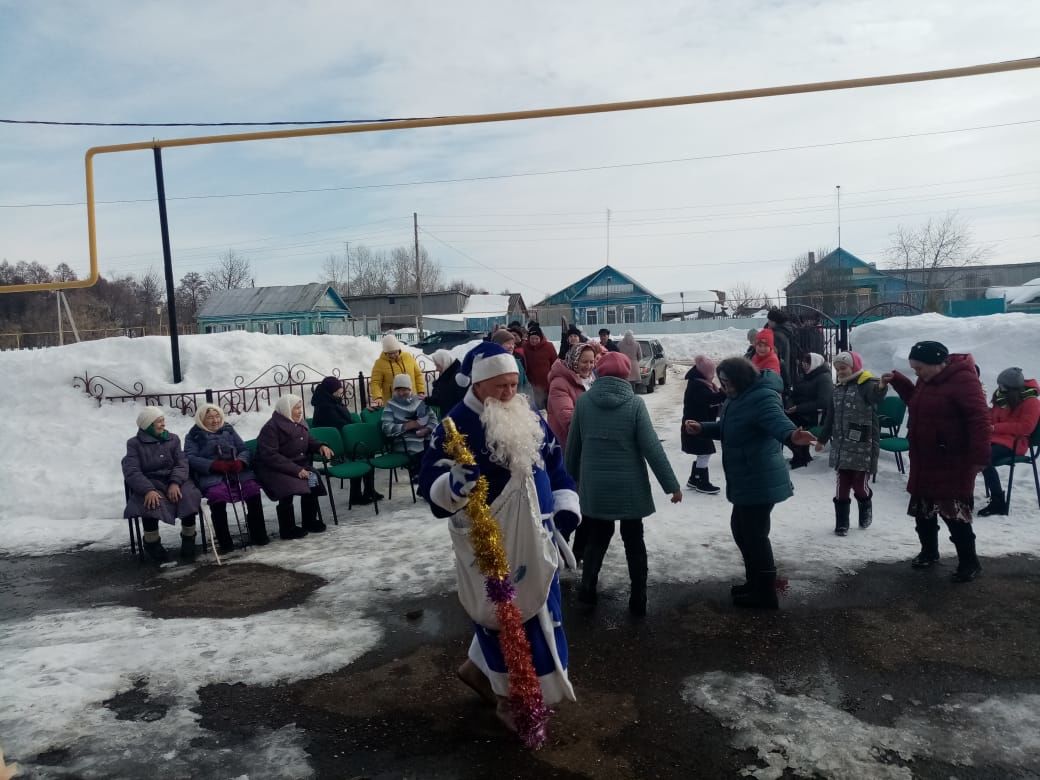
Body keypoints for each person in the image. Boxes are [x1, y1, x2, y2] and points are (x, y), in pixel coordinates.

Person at [418, 342, 580, 729]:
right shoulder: (455, 426)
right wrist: (451, 486)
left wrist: (564, 502)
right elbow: (429, 484)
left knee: (541, 609)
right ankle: (516, 699)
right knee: (506, 620)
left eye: (514, 384)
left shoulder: (526, 414)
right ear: (478, 384)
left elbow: (553, 461)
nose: (510, 393)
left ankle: (480, 673)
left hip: (539, 532)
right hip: (493, 542)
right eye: (501, 387)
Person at [684, 358, 815, 609]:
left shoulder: (762, 398)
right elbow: (730, 428)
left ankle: (765, 593)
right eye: (721, 382)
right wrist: (703, 428)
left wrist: (792, 435)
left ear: (741, 379)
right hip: (746, 477)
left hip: (760, 477)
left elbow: (778, 423)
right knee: (741, 531)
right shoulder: (738, 397)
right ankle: (755, 582)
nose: (723, 387)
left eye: (727, 382)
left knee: (754, 535)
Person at [566, 351, 682, 615]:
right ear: (627, 375)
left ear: (599, 373)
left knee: (597, 537)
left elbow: (573, 448)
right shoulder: (635, 405)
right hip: (629, 487)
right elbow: (652, 447)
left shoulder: (584, 403)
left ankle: (587, 591)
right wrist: (671, 485)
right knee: (634, 539)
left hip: (595, 488)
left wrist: (568, 481)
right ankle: (638, 598)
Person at [882, 341, 991, 582]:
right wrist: (900, 382)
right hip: (925, 457)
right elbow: (917, 403)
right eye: (914, 369)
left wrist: (980, 456)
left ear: (936, 364)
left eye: (919, 368)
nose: (917, 373)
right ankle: (929, 552)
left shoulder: (964, 380)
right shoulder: (927, 379)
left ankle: (969, 563)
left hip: (953, 460)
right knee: (923, 510)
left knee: (954, 513)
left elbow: (979, 419)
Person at [815, 352, 886, 536]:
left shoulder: (865, 385)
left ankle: (865, 504)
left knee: (859, 485)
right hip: (842, 445)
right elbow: (830, 418)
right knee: (842, 485)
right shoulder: (837, 389)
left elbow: (875, 396)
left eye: (844, 368)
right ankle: (842, 523)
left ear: (853, 367)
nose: (840, 372)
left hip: (863, 445)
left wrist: (881, 386)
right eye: (837, 369)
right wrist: (822, 439)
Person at [122, 407, 203, 563]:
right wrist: (148, 490)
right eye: (159, 422)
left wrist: (175, 482)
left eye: (163, 421)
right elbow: (131, 470)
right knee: (151, 503)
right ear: (148, 425)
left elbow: (182, 463)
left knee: (188, 496)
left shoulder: (173, 439)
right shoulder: (134, 444)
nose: (163, 424)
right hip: (150, 482)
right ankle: (152, 543)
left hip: (176, 480)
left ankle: (188, 538)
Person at [184, 403, 269, 552]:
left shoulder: (228, 430)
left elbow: (243, 449)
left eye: (217, 416)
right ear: (201, 419)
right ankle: (225, 541)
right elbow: (190, 458)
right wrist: (213, 465)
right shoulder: (194, 435)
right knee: (217, 495)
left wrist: (241, 462)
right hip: (211, 474)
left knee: (252, 489)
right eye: (210, 417)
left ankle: (259, 533)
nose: (215, 420)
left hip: (236, 471)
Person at [254, 395, 334, 539]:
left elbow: (309, 440)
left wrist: (320, 446)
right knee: (288, 487)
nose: (300, 411)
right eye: (296, 408)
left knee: (312, 480)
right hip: (273, 468)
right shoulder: (271, 428)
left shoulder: (299, 423)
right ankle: (287, 528)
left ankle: (309, 521)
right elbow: (270, 456)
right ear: (286, 409)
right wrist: (296, 470)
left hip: (296, 465)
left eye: (300, 408)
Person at [978, 367, 1040, 516]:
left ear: (1012, 388)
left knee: (982, 458)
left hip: (1015, 443)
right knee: (971, 453)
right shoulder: (1002, 398)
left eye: (1003, 385)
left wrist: (995, 427)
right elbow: (992, 417)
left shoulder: (1031, 402)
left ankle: (998, 502)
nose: (999, 388)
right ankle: (962, 495)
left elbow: (1025, 427)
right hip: (994, 439)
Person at [311, 376, 382, 505]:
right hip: (333, 449)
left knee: (367, 452)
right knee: (358, 456)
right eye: (338, 389)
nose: (341, 391)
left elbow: (347, 421)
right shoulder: (324, 407)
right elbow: (339, 426)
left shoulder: (334, 400)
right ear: (331, 390)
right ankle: (355, 495)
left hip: (345, 441)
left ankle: (369, 490)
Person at [681, 355, 726, 494]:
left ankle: (694, 479)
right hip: (695, 425)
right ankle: (702, 482)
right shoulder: (697, 385)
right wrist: (724, 394)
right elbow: (709, 399)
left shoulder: (700, 382)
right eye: (711, 374)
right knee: (705, 452)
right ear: (705, 373)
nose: (713, 377)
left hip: (698, 424)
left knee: (702, 452)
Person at [381, 374, 437, 480]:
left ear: (409, 389)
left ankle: (430, 479)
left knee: (435, 447)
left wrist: (427, 429)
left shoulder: (419, 401)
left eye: (404, 390)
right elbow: (386, 428)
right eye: (398, 390)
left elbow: (433, 420)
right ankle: (421, 477)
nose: (401, 393)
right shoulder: (390, 405)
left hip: (425, 436)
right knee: (421, 451)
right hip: (403, 440)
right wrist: (407, 426)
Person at [786, 352, 833, 469]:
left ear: (815, 363)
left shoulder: (824, 378)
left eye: (808, 362)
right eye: (803, 362)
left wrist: (798, 408)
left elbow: (824, 402)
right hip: (799, 411)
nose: (804, 365)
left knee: (791, 427)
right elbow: (793, 394)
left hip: (814, 415)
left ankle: (801, 455)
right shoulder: (804, 376)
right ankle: (800, 454)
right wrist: (789, 405)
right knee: (782, 423)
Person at [547, 343, 597, 451]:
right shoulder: (559, 383)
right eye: (584, 362)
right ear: (574, 361)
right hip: (568, 444)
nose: (589, 366)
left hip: (586, 441)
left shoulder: (591, 380)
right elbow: (567, 419)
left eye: (591, 362)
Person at [368, 333, 426, 409]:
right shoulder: (380, 363)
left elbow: (418, 375)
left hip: (412, 400)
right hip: (392, 403)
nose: (393, 355)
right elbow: (375, 383)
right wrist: (378, 397)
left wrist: (420, 391)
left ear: (399, 350)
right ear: (385, 352)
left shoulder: (408, 357)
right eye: (389, 353)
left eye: (395, 352)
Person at [522, 323, 557, 411]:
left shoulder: (549, 346)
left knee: (549, 407)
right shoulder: (525, 347)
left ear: (540, 338)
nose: (534, 341)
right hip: (533, 385)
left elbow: (555, 363)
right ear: (528, 338)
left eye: (536, 338)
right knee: (537, 408)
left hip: (547, 383)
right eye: (532, 339)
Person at [491, 328, 531, 398]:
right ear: (497, 345)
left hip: (518, 404)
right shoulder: (490, 364)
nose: (511, 347)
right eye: (508, 343)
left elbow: (526, 384)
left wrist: (528, 397)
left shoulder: (517, 362)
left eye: (513, 344)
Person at [426, 349, 466, 416]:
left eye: (438, 365)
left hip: (456, 419)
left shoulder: (457, 377)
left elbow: (451, 400)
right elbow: (442, 399)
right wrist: (427, 399)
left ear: (444, 362)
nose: (436, 369)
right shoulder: (446, 375)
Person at [765, 308, 796, 395]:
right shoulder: (783, 332)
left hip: (777, 371)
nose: (768, 323)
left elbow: (773, 354)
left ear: (774, 322)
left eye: (769, 320)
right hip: (784, 370)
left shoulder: (776, 335)